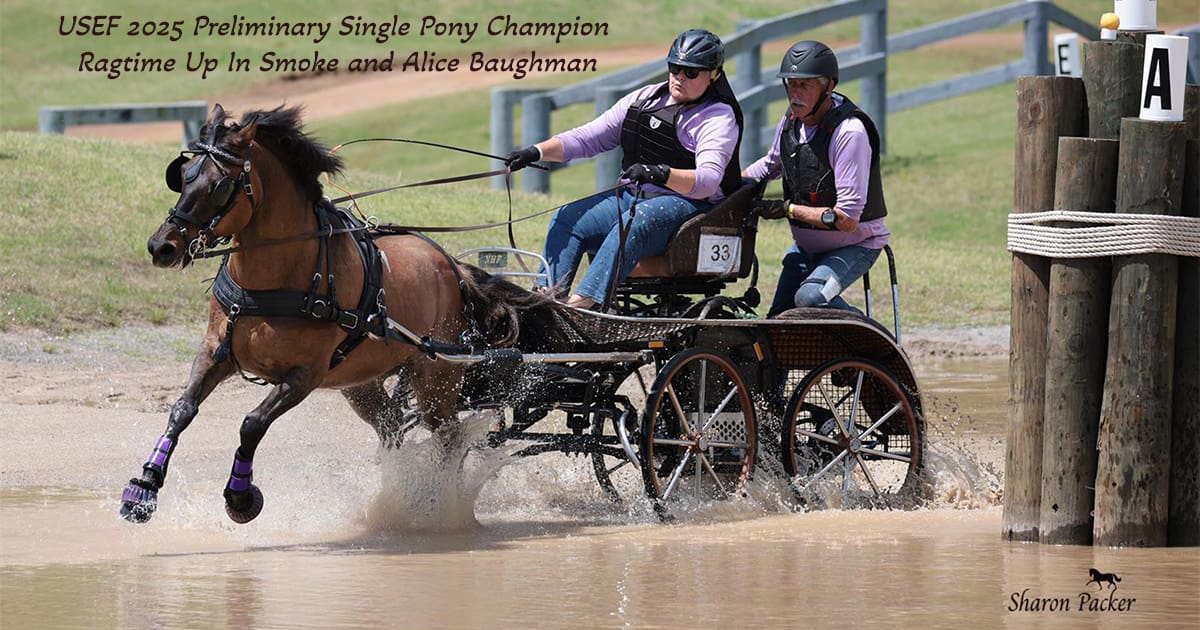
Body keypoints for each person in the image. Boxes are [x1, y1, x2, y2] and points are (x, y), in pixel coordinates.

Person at [506, 28, 743, 310]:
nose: (679, 76)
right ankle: (547, 302)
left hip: (688, 207)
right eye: (675, 67)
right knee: (568, 218)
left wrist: (659, 173)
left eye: (691, 72)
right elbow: (589, 137)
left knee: (634, 221)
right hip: (634, 199)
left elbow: (706, 181)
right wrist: (536, 151)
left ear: (714, 74)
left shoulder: (718, 117)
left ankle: (583, 307)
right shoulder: (645, 99)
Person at [743, 40, 890, 318]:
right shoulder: (790, 122)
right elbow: (771, 164)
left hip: (855, 245)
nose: (794, 94)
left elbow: (847, 220)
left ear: (828, 87)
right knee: (777, 321)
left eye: (805, 85)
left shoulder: (849, 133)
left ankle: (871, 341)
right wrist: (730, 185)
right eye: (791, 84)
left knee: (809, 298)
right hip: (806, 247)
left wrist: (786, 209)